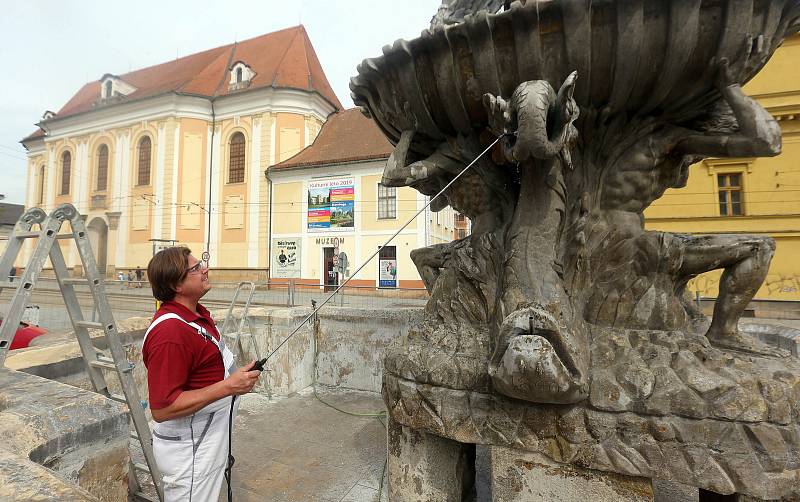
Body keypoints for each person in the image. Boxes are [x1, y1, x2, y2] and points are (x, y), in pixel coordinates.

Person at [143, 247, 261, 501]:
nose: (205, 269)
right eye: (196, 268)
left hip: (206, 439)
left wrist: (235, 378)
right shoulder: (170, 334)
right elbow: (163, 408)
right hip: (190, 449)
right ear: (176, 284)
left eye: (201, 264)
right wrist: (229, 387)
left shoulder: (197, 315)